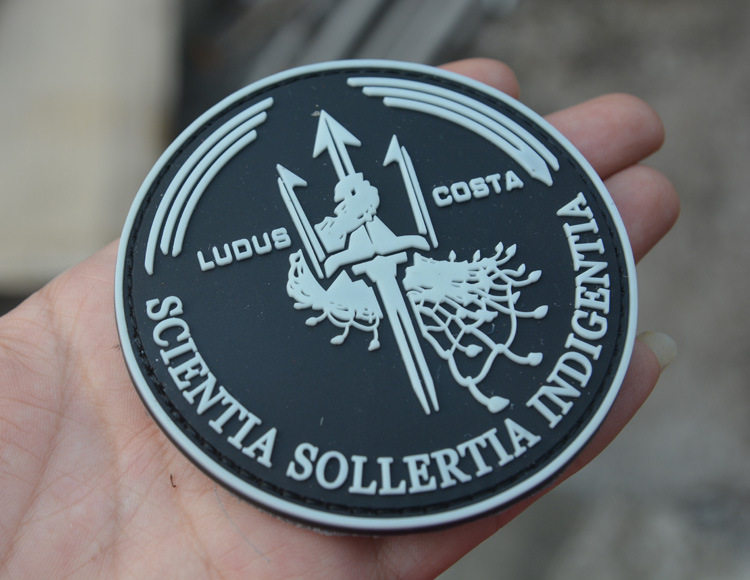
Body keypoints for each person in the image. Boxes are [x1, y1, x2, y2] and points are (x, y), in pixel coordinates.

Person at [0, 58, 679, 578]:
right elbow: (311, 260)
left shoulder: (387, 216)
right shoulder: (331, 228)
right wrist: (342, 229)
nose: (355, 194)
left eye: (360, 194)